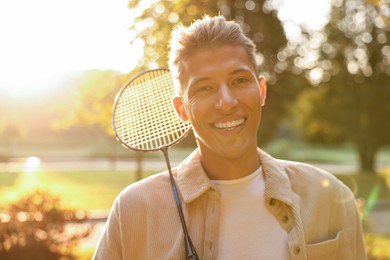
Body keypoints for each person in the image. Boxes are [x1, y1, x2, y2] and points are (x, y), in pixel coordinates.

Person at [93, 15, 367, 259]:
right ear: (181, 110)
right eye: (204, 88)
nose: (226, 102)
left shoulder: (330, 200)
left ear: (261, 91)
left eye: (239, 81)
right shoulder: (133, 211)